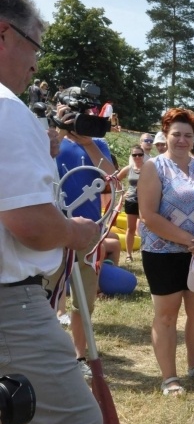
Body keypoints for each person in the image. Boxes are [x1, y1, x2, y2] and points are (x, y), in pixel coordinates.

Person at [0, 0, 103, 424]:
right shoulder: (5, 109)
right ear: (3, 35)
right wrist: (76, 232)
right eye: (34, 46)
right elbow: (30, 223)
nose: (35, 64)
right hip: (9, 302)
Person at [138, 108, 194, 396]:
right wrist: (190, 240)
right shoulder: (154, 167)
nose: (182, 140)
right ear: (165, 134)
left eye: (188, 135)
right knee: (166, 316)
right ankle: (169, 377)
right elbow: (148, 215)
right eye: (176, 134)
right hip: (162, 252)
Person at [55, 104, 116, 380]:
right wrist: (58, 130)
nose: (76, 120)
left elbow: (111, 178)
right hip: (52, 228)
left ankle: (79, 356)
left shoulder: (98, 144)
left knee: (84, 301)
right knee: (45, 294)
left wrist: (89, 144)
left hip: (89, 232)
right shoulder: (50, 137)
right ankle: (49, 355)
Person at [117, 144, 146, 262]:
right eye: (135, 155)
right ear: (131, 156)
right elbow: (116, 179)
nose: (137, 157)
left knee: (147, 228)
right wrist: (122, 193)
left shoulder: (149, 168)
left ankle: (146, 253)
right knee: (131, 228)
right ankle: (129, 255)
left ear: (143, 155)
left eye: (140, 154)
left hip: (146, 201)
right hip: (131, 200)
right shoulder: (129, 168)